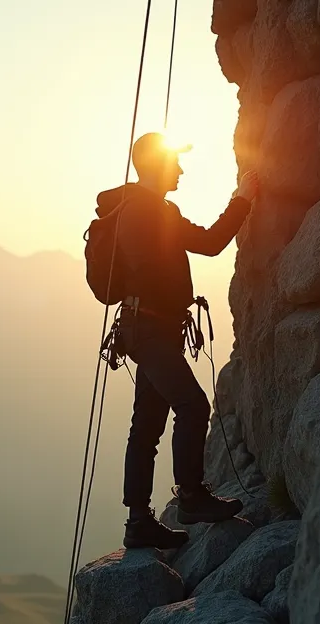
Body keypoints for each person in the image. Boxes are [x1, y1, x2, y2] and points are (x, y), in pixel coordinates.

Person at [92, 132, 260, 550]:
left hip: (144, 327)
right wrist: (243, 200)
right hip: (150, 329)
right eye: (175, 163)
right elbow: (207, 243)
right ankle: (190, 496)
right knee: (192, 404)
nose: (181, 170)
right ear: (156, 166)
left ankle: (139, 522)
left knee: (147, 423)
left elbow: (199, 244)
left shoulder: (148, 210)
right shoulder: (146, 213)